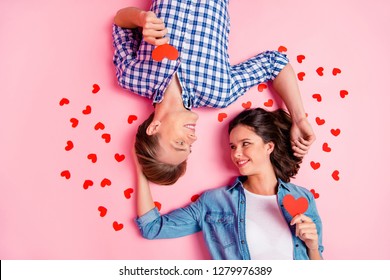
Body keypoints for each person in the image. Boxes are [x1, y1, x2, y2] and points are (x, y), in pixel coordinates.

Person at [113, 0, 315, 185]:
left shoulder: (132, 77)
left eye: (180, 142)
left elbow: (120, 22)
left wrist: (141, 18)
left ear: (154, 127)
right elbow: (276, 63)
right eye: (189, 147)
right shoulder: (219, 92)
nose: (193, 139)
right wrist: (298, 119)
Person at [135, 107, 323, 260]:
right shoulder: (214, 202)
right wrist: (140, 165)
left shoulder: (302, 197)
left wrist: (313, 248)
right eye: (233, 146)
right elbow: (153, 228)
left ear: (269, 146)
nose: (236, 154)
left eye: (245, 143)